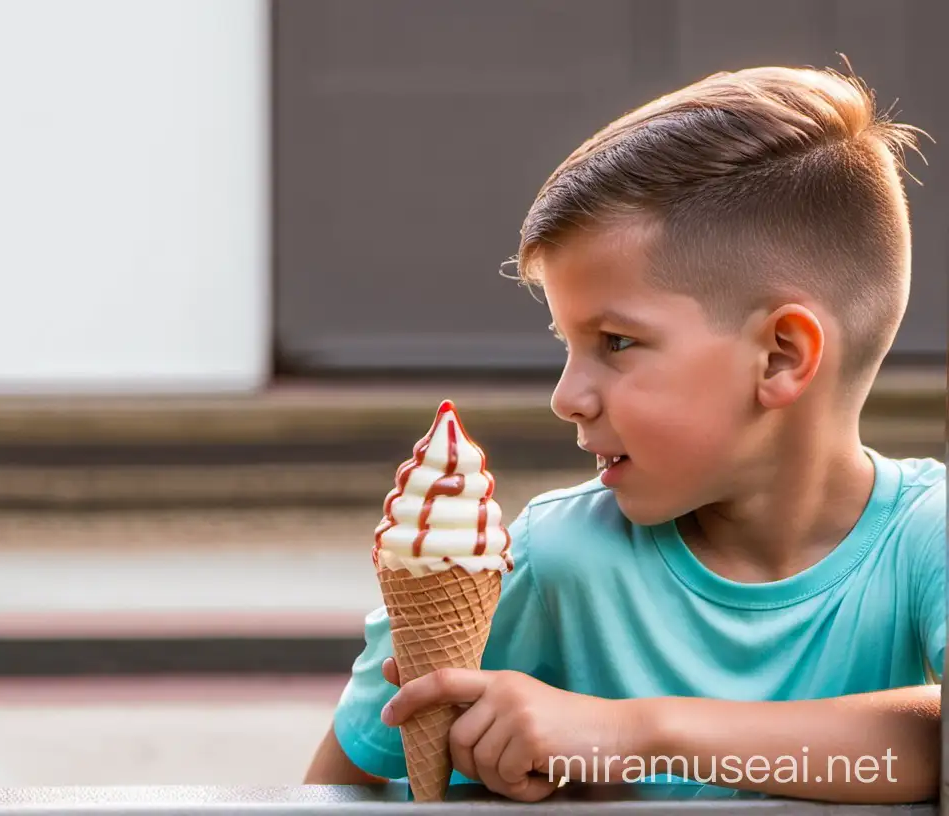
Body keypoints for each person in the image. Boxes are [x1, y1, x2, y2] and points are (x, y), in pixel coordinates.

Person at [304, 65, 944, 804]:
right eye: (565, 344)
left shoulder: (927, 538)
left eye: (614, 342)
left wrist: (633, 732)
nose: (565, 398)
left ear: (780, 356)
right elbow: (334, 792)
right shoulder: (547, 560)